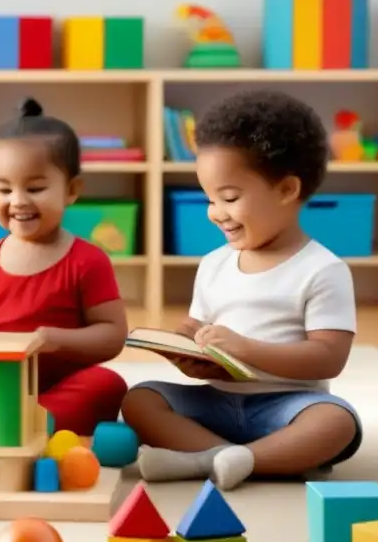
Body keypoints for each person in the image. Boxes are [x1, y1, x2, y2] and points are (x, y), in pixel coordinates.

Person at [121, 89, 362, 491]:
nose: (215, 212)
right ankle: (236, 460)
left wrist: (247, 349)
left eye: (229, 197)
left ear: (287, 190)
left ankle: (218, 460)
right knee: (139, 400)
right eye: (209, 198)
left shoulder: (323, 270)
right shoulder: (214, 264)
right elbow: (198, 327)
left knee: (337, 423)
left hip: (287, 406)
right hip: (216, 400)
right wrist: (185, 349)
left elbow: (328, 358)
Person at [0, 98, 128, 436]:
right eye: (4, 188)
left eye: (35, 188)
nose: (19, 201)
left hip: (61, 385)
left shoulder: (88, 260)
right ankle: (15, 425)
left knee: (108, 384)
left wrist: (56, 340)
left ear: (71, 190)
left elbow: (112, 336)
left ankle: (22, 426)